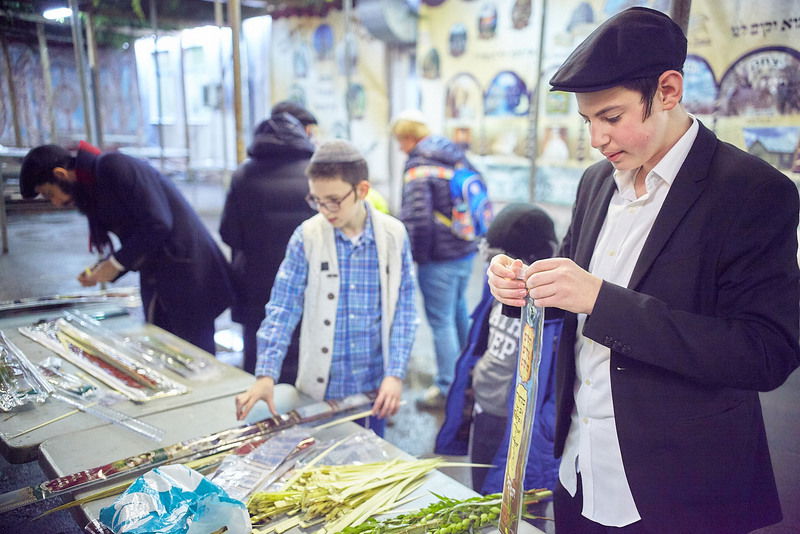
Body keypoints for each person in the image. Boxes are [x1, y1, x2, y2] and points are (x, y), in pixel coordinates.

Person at [487, 7, 799, 533]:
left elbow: (766, 353)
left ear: (668, 91)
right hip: (579, 466)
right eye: (587, 121)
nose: (597, 138)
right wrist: (526, 289)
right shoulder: (596, 182)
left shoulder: (751, 192)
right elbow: (571, 293)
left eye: (611, 118)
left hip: (681, 487)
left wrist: (600, 300)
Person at [234, 140, 417, 437]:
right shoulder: (307, 236)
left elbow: (405, 311)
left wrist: (395, 374)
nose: (325, 210)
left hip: (374, 390)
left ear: (362, 190)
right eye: (317, 200)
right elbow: (282, 308)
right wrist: (265, 374)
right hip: (319, 390)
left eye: (333, 200)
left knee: (370, 456)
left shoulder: (393, 235)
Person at [20, 141, 234, 354]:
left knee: (196, 358)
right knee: (165, 350)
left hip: (188, 274)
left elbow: (158, 223)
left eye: (49, 194)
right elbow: (137, 237)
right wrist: (106, 268)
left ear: (60, 174)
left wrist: (115, 264)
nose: (55, 203)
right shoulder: (96, 185)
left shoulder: (112, 166)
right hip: (163, 276)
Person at [434, 203, 560, 495]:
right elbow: (479, 339)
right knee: (482, 493)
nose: (497, 270)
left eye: (504, 261)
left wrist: (545, 429)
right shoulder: (499, 286)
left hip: (519, 421)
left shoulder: (556, 310)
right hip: (485, 410)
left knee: (518, 502)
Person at [392, 109, 479, 410]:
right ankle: (470, 374)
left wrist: (416, 258)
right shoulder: (454, 155)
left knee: (441, 321)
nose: (400, 148)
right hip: (465, 249)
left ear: (408, 137)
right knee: (458, 311)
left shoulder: (419, 165)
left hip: (439, 258)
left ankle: (447, 388)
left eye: (400, 141)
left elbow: (418, 219)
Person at [220, 110, 316, 377]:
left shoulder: (244, 175)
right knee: (305, 347)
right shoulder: (314, 173)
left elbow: (229, 233)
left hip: (256, 282)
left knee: (261, 350)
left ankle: (264, 398)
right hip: (307, 277)